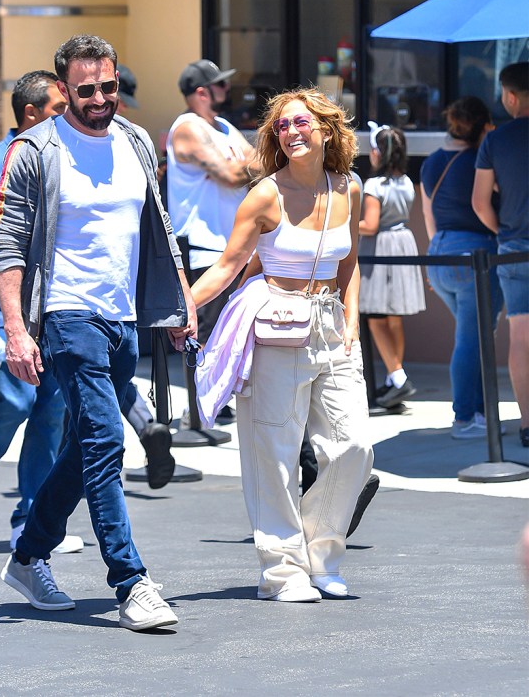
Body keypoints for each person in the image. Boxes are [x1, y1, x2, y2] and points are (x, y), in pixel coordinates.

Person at [0, 34, 197, 630]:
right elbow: (5, 243)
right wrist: (15, 329)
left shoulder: (133, 139)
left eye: (108, 86)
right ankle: (130, 582)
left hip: (121, 315)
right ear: (63, 89)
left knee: (86, 448)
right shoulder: (37, 149)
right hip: (64, 313)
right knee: (106, 440)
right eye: (87, 90)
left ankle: (28, 555)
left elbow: (157, 223)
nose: (101, 98)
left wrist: (179, 297)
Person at [191, 87, 374, 602]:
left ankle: (321, 554)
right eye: (283, 126)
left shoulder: (349, 188)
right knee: (274, 454)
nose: (291, 132)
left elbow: (349, 262)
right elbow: (229, 265)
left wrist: (352, 322)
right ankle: (283, 573)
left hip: (330, 325)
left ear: (326, 130)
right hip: (274, 325)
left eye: (301, 123)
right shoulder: (264, 195)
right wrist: (182, 304)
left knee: (354, 445)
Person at [0, 70, 82, 554]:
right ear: (31, 114)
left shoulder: (61, 159)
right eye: (57, 110)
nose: (68, 118)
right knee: (18, 402)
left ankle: (30, 517)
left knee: (51, 412)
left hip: (52, 314)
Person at [166, 59, 259, 423]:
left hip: (231, 246)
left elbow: (251, 164)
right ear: (202, 92)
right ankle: (199, 411)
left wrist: (259, 160)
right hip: (203, 246)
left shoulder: (222, 126)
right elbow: (235, 173)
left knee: (230, 330)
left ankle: (215, 403)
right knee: (202, 332)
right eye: (220, 85)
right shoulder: (188, 128)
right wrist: (269, 158)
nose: (227, 90)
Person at [421, 97, 503, 439]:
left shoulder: (431, 162)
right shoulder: (482, 161)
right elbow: (484, 205)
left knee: (476, 337)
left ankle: (480, 413)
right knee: (471, 340)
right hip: (475, 254)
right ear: (484, 126)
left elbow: (429, 216)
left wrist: (436, 260)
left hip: (440, 254)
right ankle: (465, 417)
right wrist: (501, 234)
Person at [111, 63, 175, 488]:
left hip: (118, 287)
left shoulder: (131, 140)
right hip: (120, 286)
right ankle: (145, 424)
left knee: (84, 384)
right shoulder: (44, 146)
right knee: (105, 375)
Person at [473, 61, 529, 448]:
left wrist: (503, 232)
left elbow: (480, 202)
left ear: (510, 96)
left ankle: (527, 425)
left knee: (521, 338)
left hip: (513, 251)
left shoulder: (495, 140)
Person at [358, 123, 425, 408]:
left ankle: (398, 377)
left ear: (377, 153)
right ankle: (392, 377)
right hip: (403, 244)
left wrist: (345, 223)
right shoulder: (407, 182)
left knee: (374, 316)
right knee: (394, 317)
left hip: (381, 249)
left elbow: (370, 226)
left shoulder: (375, 186)